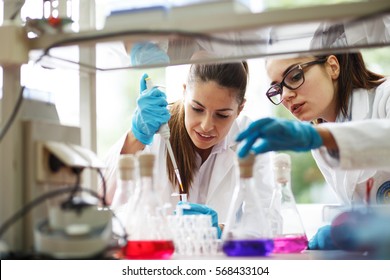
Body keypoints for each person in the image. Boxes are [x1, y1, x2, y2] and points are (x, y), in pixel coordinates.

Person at [101, 59, 276, 238]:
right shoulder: (155, 129)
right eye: (197, 109)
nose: (206, 125)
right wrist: (136, 137)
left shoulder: (251, 141)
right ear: (185, 92)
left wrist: (222, 232)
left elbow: (267, 222)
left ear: (240, 109)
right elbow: (102, 195)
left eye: (222, 115)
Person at [235, 52, 390, 249]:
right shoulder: (320, 143)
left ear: (333, 66)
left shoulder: (386, 97)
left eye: (295, 77)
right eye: (277, 88)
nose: (285, 95)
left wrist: (324, 138)